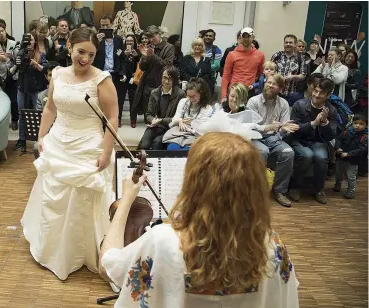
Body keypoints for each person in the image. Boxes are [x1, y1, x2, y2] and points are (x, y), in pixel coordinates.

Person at [99, 132, 299, 307]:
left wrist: (126, 200)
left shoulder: (162, 241)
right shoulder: (272, 246)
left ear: (194, 181)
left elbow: (109, 266)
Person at [20, 27, 118, 281]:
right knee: (54, 198)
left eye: (91, 55)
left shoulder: (102, 79)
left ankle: (81, 250)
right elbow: (50, 108)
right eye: (80, 52)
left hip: (87, 146)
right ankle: (52, 247)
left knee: (80, 199)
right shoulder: (58, 75)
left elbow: (113, 117)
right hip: (58, 144)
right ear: (69, 48)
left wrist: (106, 152)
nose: (84, 58)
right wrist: (42, 136)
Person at [246, 74, 299, 207]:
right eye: (268, 82)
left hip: (274, 137)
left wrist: (283, 129)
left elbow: (283, 126)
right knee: (262, 151)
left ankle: (279, 191)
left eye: (274, 84)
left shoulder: (284, 103)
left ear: (280, 88)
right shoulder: (253, 101)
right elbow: (249, 125)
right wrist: (267, 127)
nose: (270, 85)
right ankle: (255, 191)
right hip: (255, 136)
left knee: (288, 152)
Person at [286, 78, 338, 205]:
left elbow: (330, 136)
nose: (317, 95)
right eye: (315, 91)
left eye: (321, 92)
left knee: (321, 157)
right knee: (306, 155)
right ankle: (295, 187)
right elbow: (295, 129)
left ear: (328, 95)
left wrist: (325, 122)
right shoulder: (300, 105)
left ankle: (319, 189)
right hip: (298, 140)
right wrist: (313, 123)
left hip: (317, 141)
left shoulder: (331, 110)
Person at [137, 66, 185, 150]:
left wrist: (161, 120)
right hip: (155, 126)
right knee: (144, 145)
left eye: (170, 79)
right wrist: (153, 120)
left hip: (170, 128)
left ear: (174, 80)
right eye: (164, 78)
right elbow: (148, 114)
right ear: (161, 77)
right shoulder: (154, 92)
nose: (166, 81)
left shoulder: (180, 94)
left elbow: (178, 118)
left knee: (157, 143)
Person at [163, 78, 216, 150]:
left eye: (194, 96)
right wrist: (179, 121)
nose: (191, 99)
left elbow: (201, 130)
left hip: (195, 137)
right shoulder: (183, 101)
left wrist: (191, 123)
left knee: (186, 152)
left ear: (201, 93)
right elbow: (173, 122)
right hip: (178, 134)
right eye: (189, 96)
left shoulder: (207, 108)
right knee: (172, 148)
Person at [334, 113, 368, 199]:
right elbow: (338, 139)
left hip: (353, 160)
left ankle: (350, 191)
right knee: (338, 173)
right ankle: (338, 184)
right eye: (356, 123)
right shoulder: (347, 131)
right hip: (341, 157)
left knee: (351, 176)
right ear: (352, 123)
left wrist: (348, 154)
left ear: (366, 125)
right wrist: (338, 148)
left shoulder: (365, 137)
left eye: (361, 124)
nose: (357, 126)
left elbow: (361, 149)